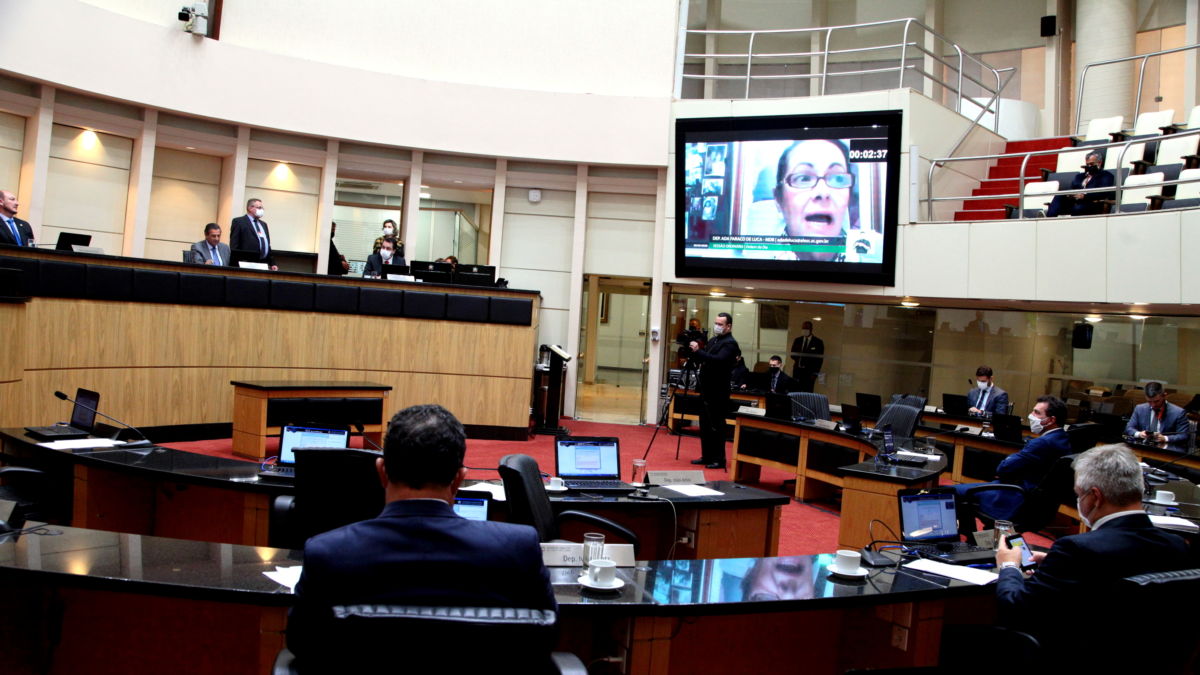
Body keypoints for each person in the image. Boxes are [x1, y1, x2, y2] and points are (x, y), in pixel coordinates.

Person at [288, 404, 555, 656]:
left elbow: (303, 643)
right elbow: (544, 639)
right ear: (459, 479)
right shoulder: (518, 548)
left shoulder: (327, 552)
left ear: (381, 472)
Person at [995, 444, 1189, 669]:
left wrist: (1008, 564)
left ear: (1095, 497)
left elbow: (1016, 609)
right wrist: (1055, 564)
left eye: (1079, 494)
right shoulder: (1177, 546)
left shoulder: (1076, 549)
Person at [953, 395, 1072, 520]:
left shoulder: (1040, 443)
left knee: (948, 491)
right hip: (1039, 503)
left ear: (1051, 420)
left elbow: (1003, 468)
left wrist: (1012, 459)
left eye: (1037, 413)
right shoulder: (1063, 438)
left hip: (1015, 497)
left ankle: (967, 535)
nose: (1031, 415)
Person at [772, 139, 879, 262]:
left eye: (838, 178)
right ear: (779, 200)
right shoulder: (753, 257)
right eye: (804, 178)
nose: (822, 192)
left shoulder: (873, 255)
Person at [687, 312, 739, 469]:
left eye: (720, 324)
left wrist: (699, 352)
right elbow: (704, 359)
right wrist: (694, 352)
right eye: (716, 323)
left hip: (718, 390)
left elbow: (718, 361)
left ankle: (719, 458)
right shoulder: (714, 340)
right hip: (706, 388)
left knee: (717, 424)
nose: (717, 326)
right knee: (705, 423)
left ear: (728, 326)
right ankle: (707, 455)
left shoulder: (730, 344)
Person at [1045, 151, 1115, 217]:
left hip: (1092, 202)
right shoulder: (1080, 176)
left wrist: (1084, 196)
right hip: (1076, 200)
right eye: (1087, 164)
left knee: (1078, 208)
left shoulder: (1106, 176)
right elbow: (1074, 187)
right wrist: (1071, 195)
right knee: (1059, 196)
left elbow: (1104, 192)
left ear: (1099, 163)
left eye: (1092, 164)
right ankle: (1048, 219)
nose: (1089, 166)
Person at [1124, 380, 1190, 450]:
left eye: (1156, 401)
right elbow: (1128, 428)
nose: (1153, 405)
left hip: (1166, 450)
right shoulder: (1140, 409)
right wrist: (1139, 434)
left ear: (1164, 395)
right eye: (1149, 401)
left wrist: (1165, 438)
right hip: (1143, 448)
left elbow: (1184, 436)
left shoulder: (1178, 412)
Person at [229, 197, 276, 270]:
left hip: (263, 264)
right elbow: (234, 245)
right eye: (259, 208)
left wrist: (272, 263)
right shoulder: (239, 222)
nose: (262, 210)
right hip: (246, 264)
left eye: (262, 208)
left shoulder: (263, 224)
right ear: (250, 208)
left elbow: (267, 245)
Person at [789, 321, 824, 393]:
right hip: (797, 371)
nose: (805, 330)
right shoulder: (798, 340)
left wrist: (815, 374)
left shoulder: (818, 342)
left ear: (811, 329)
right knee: (796, 391)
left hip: (809, 374)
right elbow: (792, 354)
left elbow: (819, 360)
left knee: (807, 393)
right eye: (803, 328)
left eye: (807, 328)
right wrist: (800, 358)